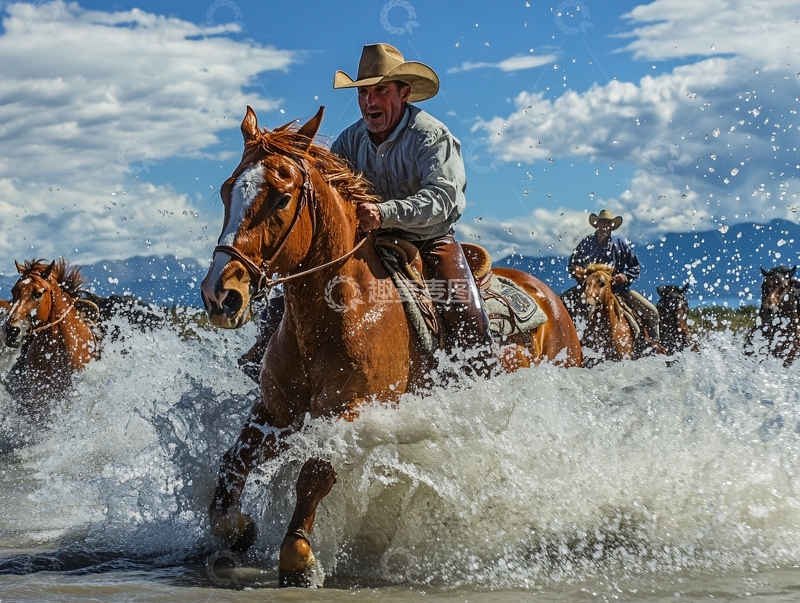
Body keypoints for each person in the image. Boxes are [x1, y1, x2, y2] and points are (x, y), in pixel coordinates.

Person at [239, 43, 492, 380]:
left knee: (465, 312)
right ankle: (264, 371)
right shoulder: (349, 141)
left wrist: (385, 213)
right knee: (287, 302)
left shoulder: (432, 136)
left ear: (403, 93)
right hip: (362, 242)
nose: (370, 101)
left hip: (430, 241)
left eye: (380, 91)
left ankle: (481, 381)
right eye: (364, 93)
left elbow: (445, 198)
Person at [563, 209, 660, 341]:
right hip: (589, 289)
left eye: (608, 222)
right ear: (597, 224)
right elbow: (572, 264)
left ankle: (654, 346)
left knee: (652, 312)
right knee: (559, 304)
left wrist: (625, 276)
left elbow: (635, 266)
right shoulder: (586, 243)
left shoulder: (619, 244)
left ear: (611, 225)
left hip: (618, 290)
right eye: (603, 222)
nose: (605, 225)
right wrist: (577, 270)